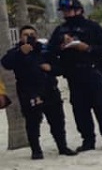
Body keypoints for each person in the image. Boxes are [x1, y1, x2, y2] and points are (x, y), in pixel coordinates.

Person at [47, 0, 102, 152]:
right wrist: (62, 45)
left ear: (79, 11)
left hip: (93, 72)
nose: (67, 14)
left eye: (69, 11)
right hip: (73, 74)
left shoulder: (92, 27)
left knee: (101, 107)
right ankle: (88, 140)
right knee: (79, 109)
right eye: (64, 11)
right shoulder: (60, 30)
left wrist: (87, 48)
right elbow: (50, 51)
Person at [1, 25, 77, 159]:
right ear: (20, 37)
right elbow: (6, 63)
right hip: (29, 92)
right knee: (32, 123)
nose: (29, 37)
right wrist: (21, 53)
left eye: (32, 34)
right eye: (26, 34)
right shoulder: (16, 51)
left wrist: (51, 68)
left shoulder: (45, 50)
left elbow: (61, 68)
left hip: (50, 90)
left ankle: (62, 147)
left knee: (58, 121)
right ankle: (36, 150)